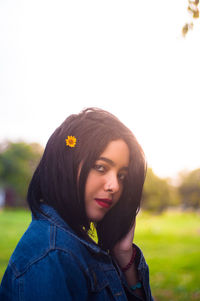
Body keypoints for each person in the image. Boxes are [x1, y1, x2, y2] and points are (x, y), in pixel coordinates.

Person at [0, 108, 154, 300]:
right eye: (100, 167)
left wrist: (125, 257)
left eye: (121, 175)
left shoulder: (72, 243)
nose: (114, 186)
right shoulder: (52, 257)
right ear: (67, 165)